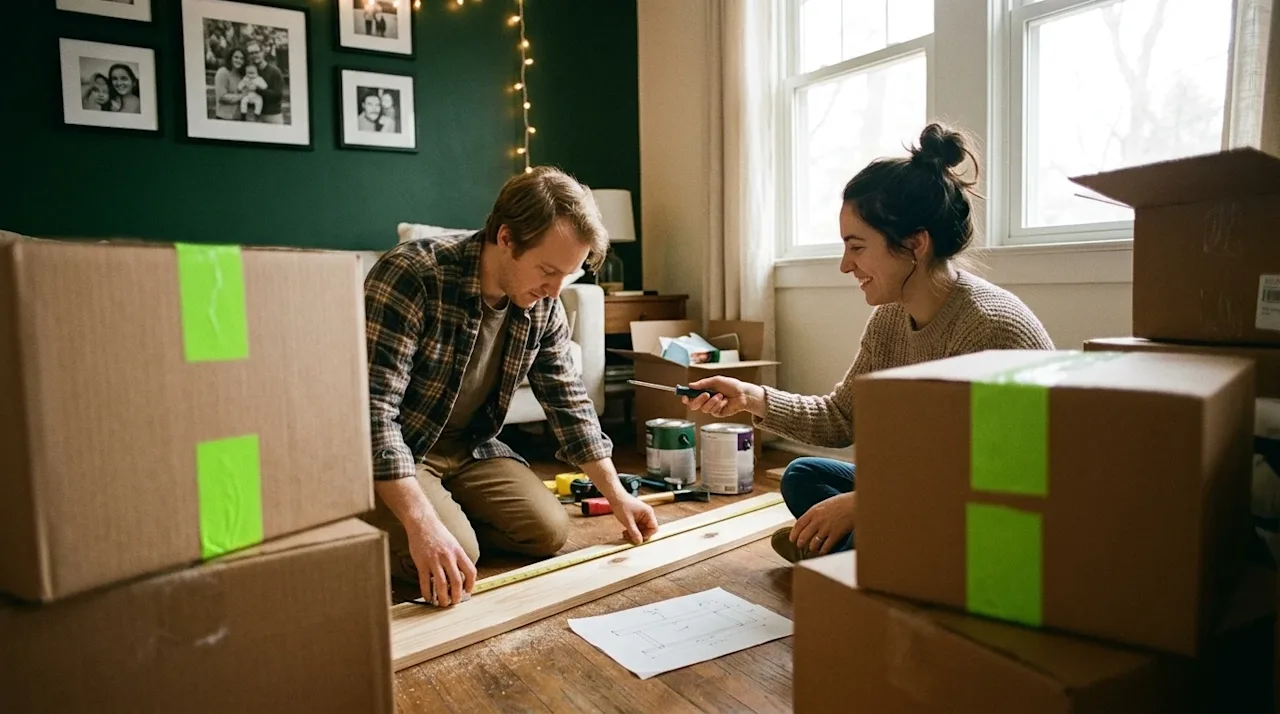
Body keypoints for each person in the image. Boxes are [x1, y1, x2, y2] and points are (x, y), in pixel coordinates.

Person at [683, 123, 1055, 563]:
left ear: (914, 243)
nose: (845, 265)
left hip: (1001, 510)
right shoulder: (890, 320)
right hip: (930, 493)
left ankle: (861, 555)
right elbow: (841, 418)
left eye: (856, 247)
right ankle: (865, 555)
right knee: (804, 475)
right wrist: (751, 397)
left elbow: (1004, 477)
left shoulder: (991, 328)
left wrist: (865, 504)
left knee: (872, 514)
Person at [363, 167, 660, 608]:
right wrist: (422, 525)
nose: (554, 289)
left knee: (548, 531)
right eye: (547, 269)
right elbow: (374, 411)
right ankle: (374, 514)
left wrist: (618, 496)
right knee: (459, 554)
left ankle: (446, 519)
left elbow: (569, 402)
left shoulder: (543, 302)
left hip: (471, 448)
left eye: (567, 275)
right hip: (402, 450)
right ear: (505, 238)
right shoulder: (412, 274)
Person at [244, 40, 285, 124]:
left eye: (256, 52)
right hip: (252, 114)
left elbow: (278, 95)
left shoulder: (275, 71)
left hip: (271, 115)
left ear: (263, 53)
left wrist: (257, 90)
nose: (254, 55)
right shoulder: (248, 71)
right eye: (251, 53)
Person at [213, 47, 246, 121]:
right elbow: (222, 97)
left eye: (242, 58)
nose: (239, 60)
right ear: (230, 58)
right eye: (236, 57)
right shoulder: (222, 72)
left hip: (238, 117)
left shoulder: (241, 75)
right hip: (224, 117)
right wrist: (242, 96)